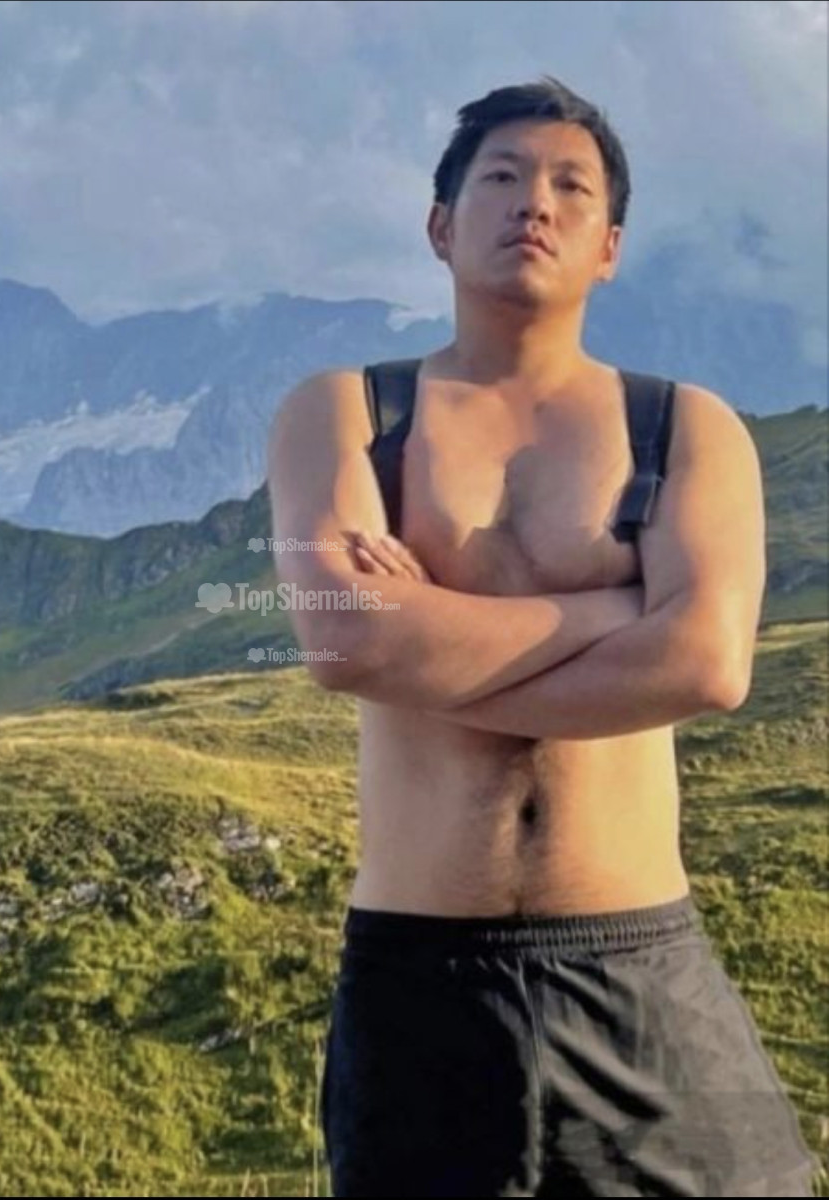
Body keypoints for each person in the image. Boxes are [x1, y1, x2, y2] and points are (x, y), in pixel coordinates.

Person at [266, 76, 818, 1197]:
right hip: (420, 977)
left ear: (609, 247)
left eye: (572, 187)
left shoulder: (686, 426)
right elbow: (347, 643)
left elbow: (707, 665)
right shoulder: (349, 413)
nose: (536, 203)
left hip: (638, 961)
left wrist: (428, 633)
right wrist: (613, 610)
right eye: (504, 177)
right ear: (440, 224)